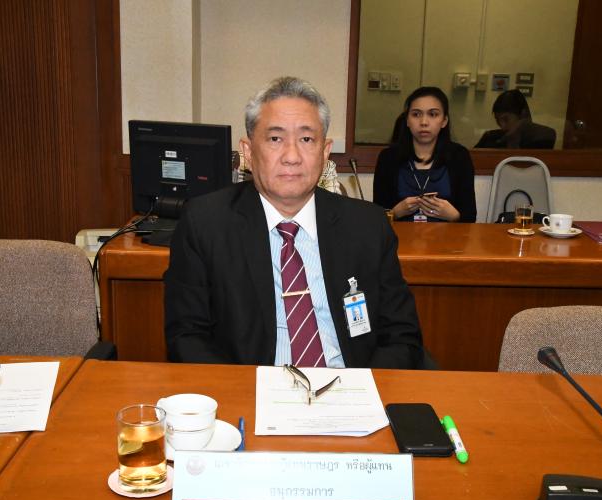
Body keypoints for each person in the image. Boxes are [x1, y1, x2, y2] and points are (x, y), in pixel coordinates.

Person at [164, 76, 424, 369]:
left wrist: (363, 388)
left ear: (325, 152)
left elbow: (401, 335)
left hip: (350, 383)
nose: (292, 157)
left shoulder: (367, 226)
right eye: (275, 139)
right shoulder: (205, 223)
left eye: (306, 139)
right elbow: (187, 336)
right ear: (248, 152)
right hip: (250, 387)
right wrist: (240, 390)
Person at [373, 87, 476, 222]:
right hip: (400, 234)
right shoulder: (388, 157)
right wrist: (396, 212)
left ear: (444, 121)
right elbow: (377, 216)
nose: (424, 122)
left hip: (448, 234)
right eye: (416, 114)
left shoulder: (459, 156)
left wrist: (453, 216)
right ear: (407, 120)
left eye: (433, 114)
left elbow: (470, 217)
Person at [474, 89, 556, 149]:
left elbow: (550, 134)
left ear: (522, 115)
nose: (502, 126)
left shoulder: (541, 137)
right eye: (497, 120)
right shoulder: (490, 138)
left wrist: (522, 127)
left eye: (506, 119)